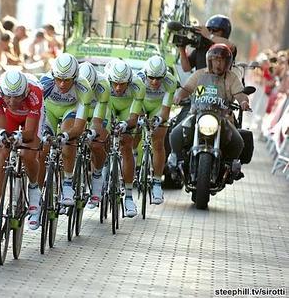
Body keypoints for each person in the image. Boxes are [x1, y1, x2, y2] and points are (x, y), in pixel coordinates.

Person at [169, 43, 250, 180]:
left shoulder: (231, 77)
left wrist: (243, 101)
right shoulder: (200, 74)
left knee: (239, 142)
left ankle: (229, 167)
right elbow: (187, 88)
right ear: (209, 61)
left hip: (222, 117)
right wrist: (178, 96)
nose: (219, 64)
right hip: (197, 114)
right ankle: (177, 161)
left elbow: (240, 93)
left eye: (222, 60)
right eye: (216, 60)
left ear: (228, 63)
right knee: (175, 133)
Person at [0, 70, 44, 239]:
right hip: (10, 118)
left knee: (28, 153)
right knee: (1, 156)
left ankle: (34, 189)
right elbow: (1, 129)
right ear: (2, 93)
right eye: (8, 97)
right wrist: (4, 135)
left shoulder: (35, 92)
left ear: (25, 92)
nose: (12, 102)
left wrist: (21, 136)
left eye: (17, 97)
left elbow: (30, 134)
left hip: (30, 117)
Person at [38, 53, 93, 206]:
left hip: (70, 110)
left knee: (69, 140)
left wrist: (65, 136)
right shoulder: (45, 82)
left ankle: (68, 183)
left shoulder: (83, 87)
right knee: (42, 149)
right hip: (49, 110)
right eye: (59, 79)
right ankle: (36, 195)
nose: (62, 84)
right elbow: (36, 113)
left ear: (75, 78)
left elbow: (79, 127)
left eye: (67, 80)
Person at [132, 55, 177, 204]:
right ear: (146, 74)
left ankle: (157, 183)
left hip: (158, 107)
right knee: (134, 133)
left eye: (159, 78)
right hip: (141, 103)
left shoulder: (170, 82)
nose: (155, 82)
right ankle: (132, 157)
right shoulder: (137, 79)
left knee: (158, 143)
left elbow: (165, 111)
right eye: (151, 78)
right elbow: (134, 105)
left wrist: (159, 120)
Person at [104, 59, 146, 217]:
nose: (118, 88)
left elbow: (134, 119)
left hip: (127, 108)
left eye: (123, 84)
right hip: (108, 104)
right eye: (115, 83)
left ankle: (128, 196)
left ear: (129, 81)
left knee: (127, 145)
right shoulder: (104, 83)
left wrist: (125, 124)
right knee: (101, 138)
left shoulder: (138, 85)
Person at [77, 62, 110, 209]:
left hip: (98, 109)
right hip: (79, 108)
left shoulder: (103, 85)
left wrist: (94, 130)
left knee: (96, 143)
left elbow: (98, 121)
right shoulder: (75, 82)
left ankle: (97, 175)